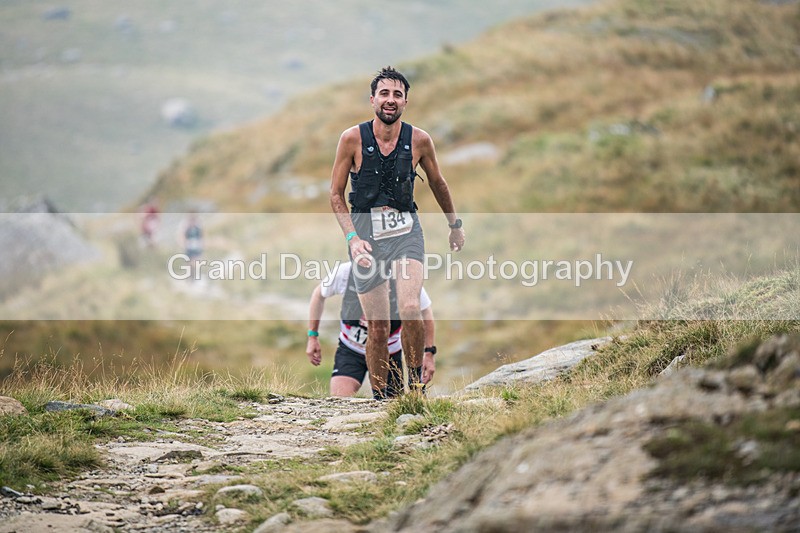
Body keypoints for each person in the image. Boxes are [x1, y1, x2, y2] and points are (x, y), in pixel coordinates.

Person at [329, 66, 464, 399]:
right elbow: (335, 194)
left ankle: (415, 389)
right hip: (365, 241)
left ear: (405, 101)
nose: (391, 100)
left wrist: (454, 225)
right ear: (373, 99)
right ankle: (382, 400)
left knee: (408, 307)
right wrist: (352, 239)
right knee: (378, 327)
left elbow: (438, 183)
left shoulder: (419, 140)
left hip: (407, 235)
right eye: (384, 94)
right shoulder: (352, 139)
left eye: (397, 95)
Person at [306, 261, 436, 398]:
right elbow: (318, 294)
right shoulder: (345, 271)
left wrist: (429, 353)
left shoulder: (403, 276)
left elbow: (425, 312)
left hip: (389, 355)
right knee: (340, 402)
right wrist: (312, 336)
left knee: (391, 411)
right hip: (351, 350)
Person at [180, 212, 203, 281]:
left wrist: (200, 244)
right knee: (189, 263)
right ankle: (189, 277)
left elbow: (201, 236)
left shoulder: (197, 228)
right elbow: (183, 236)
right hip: (189, 247)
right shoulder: (187, 228)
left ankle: (193, 277)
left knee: (195, 262)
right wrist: (185, 243)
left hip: (196, 247)